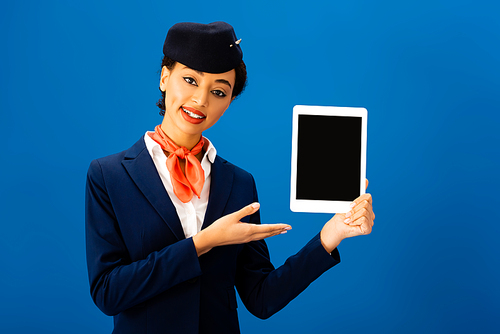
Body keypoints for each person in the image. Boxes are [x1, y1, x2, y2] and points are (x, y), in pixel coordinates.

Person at [85, 21, 375, 334]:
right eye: (190, 80)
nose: (201, 100)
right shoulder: (109, 175)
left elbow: (262, 298)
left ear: (229, 101)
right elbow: (108, 293)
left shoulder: (239, 183)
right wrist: (204, 242)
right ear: (165, 77)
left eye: (218, 91)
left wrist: (330, 235)